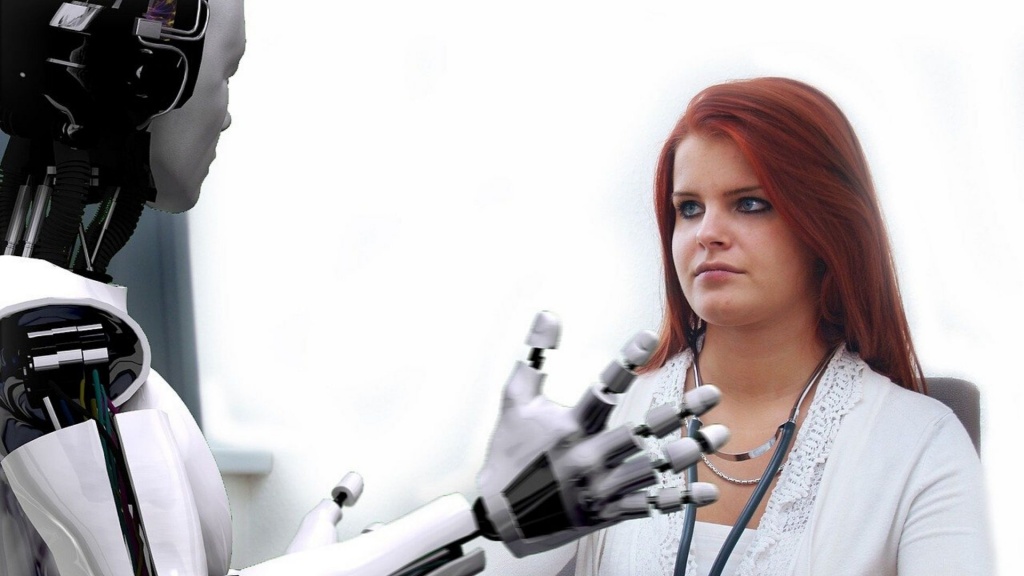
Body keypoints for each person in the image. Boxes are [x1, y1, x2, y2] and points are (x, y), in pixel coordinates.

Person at [0, 2, 729, 574]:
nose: (226, 113)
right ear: (143, 80)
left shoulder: (45, 322)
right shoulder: (58, 338)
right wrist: (483, 513)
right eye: (226, 74)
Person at [573, 77, 992, 575]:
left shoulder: (920, 444)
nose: (707, 233)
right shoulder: (609, 424)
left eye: (750, 203)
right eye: (689, 208)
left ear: (827, 226)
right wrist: (514, 510)